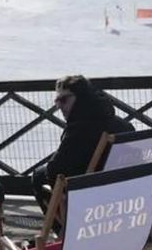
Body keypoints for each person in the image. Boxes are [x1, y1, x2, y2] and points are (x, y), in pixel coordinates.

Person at [32, 75, 134, 214]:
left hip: (93, 199)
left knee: (38, 176)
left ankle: (63, 226)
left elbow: (55, 170)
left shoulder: (79, 129)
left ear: (81, 97)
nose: (59, 106)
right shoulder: (123, 125)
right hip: (124, 195)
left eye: (63, 100)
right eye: (57, 101)